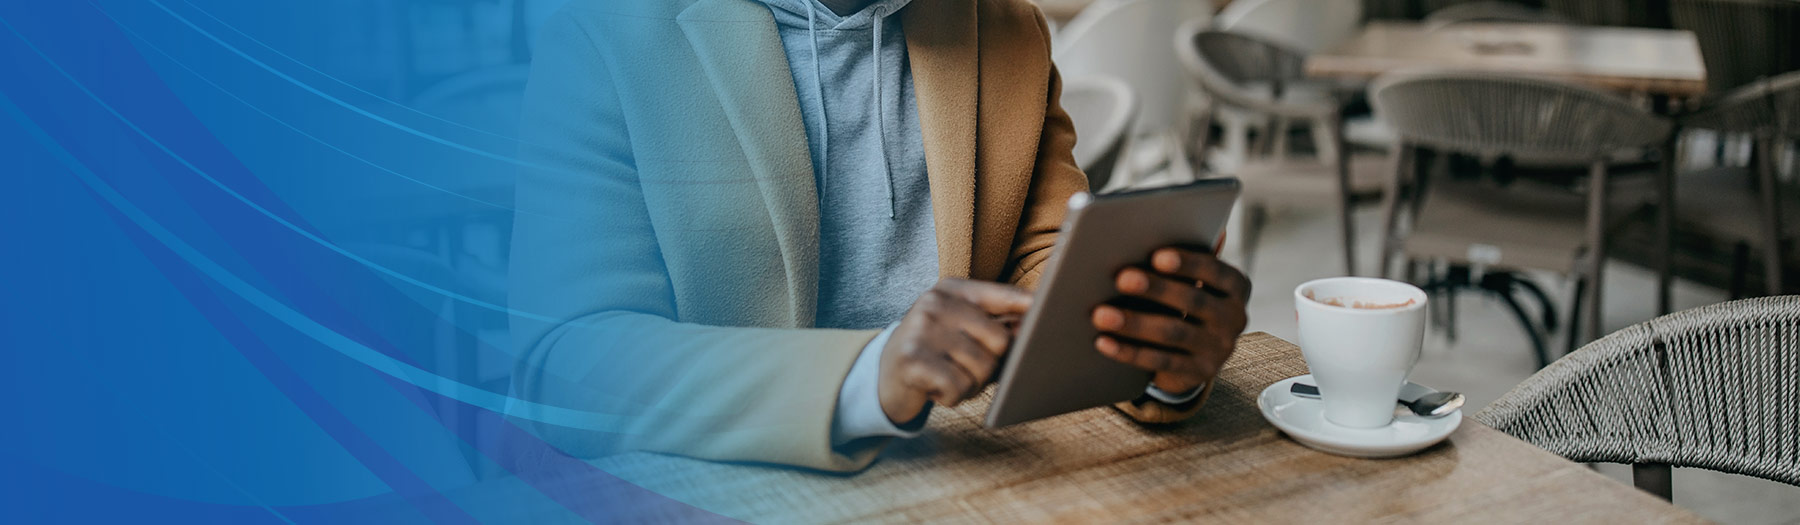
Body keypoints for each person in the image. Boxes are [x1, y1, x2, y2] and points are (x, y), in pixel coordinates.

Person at [508, 0, 1251, 472]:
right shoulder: (604, 36)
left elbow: (1042, 264)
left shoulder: (1006, 29)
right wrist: (867, 373)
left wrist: (1156, 348)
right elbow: (566, 358)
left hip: (979, 480)